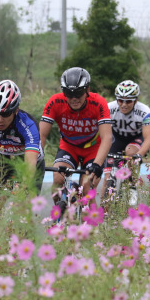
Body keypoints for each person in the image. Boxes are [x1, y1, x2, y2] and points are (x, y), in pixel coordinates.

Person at [39, 67, 113, 206]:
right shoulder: (55, 102)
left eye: (78, 94)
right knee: (57, 180)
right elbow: (41, 135)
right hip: (69, 146)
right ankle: (59, 213)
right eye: (68, 94)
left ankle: (93, 226)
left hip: (93, 149)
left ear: (87, 90)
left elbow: (107, 137)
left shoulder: (98, 103)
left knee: (87, 190)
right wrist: (38, 157)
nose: (74, 99)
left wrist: (97, 164)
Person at [101, 80, 150, 200]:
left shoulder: (144, 111)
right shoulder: (109, 108)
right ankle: (104, 212)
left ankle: (132, 185)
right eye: (120, 100)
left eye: (128, 101)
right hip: (116, 138)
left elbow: (149, 138)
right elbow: (102, 133)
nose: (124, 104)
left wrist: (139, 155)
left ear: (135, 100)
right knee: (107, 178)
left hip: (135, 138)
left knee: (130, 152)